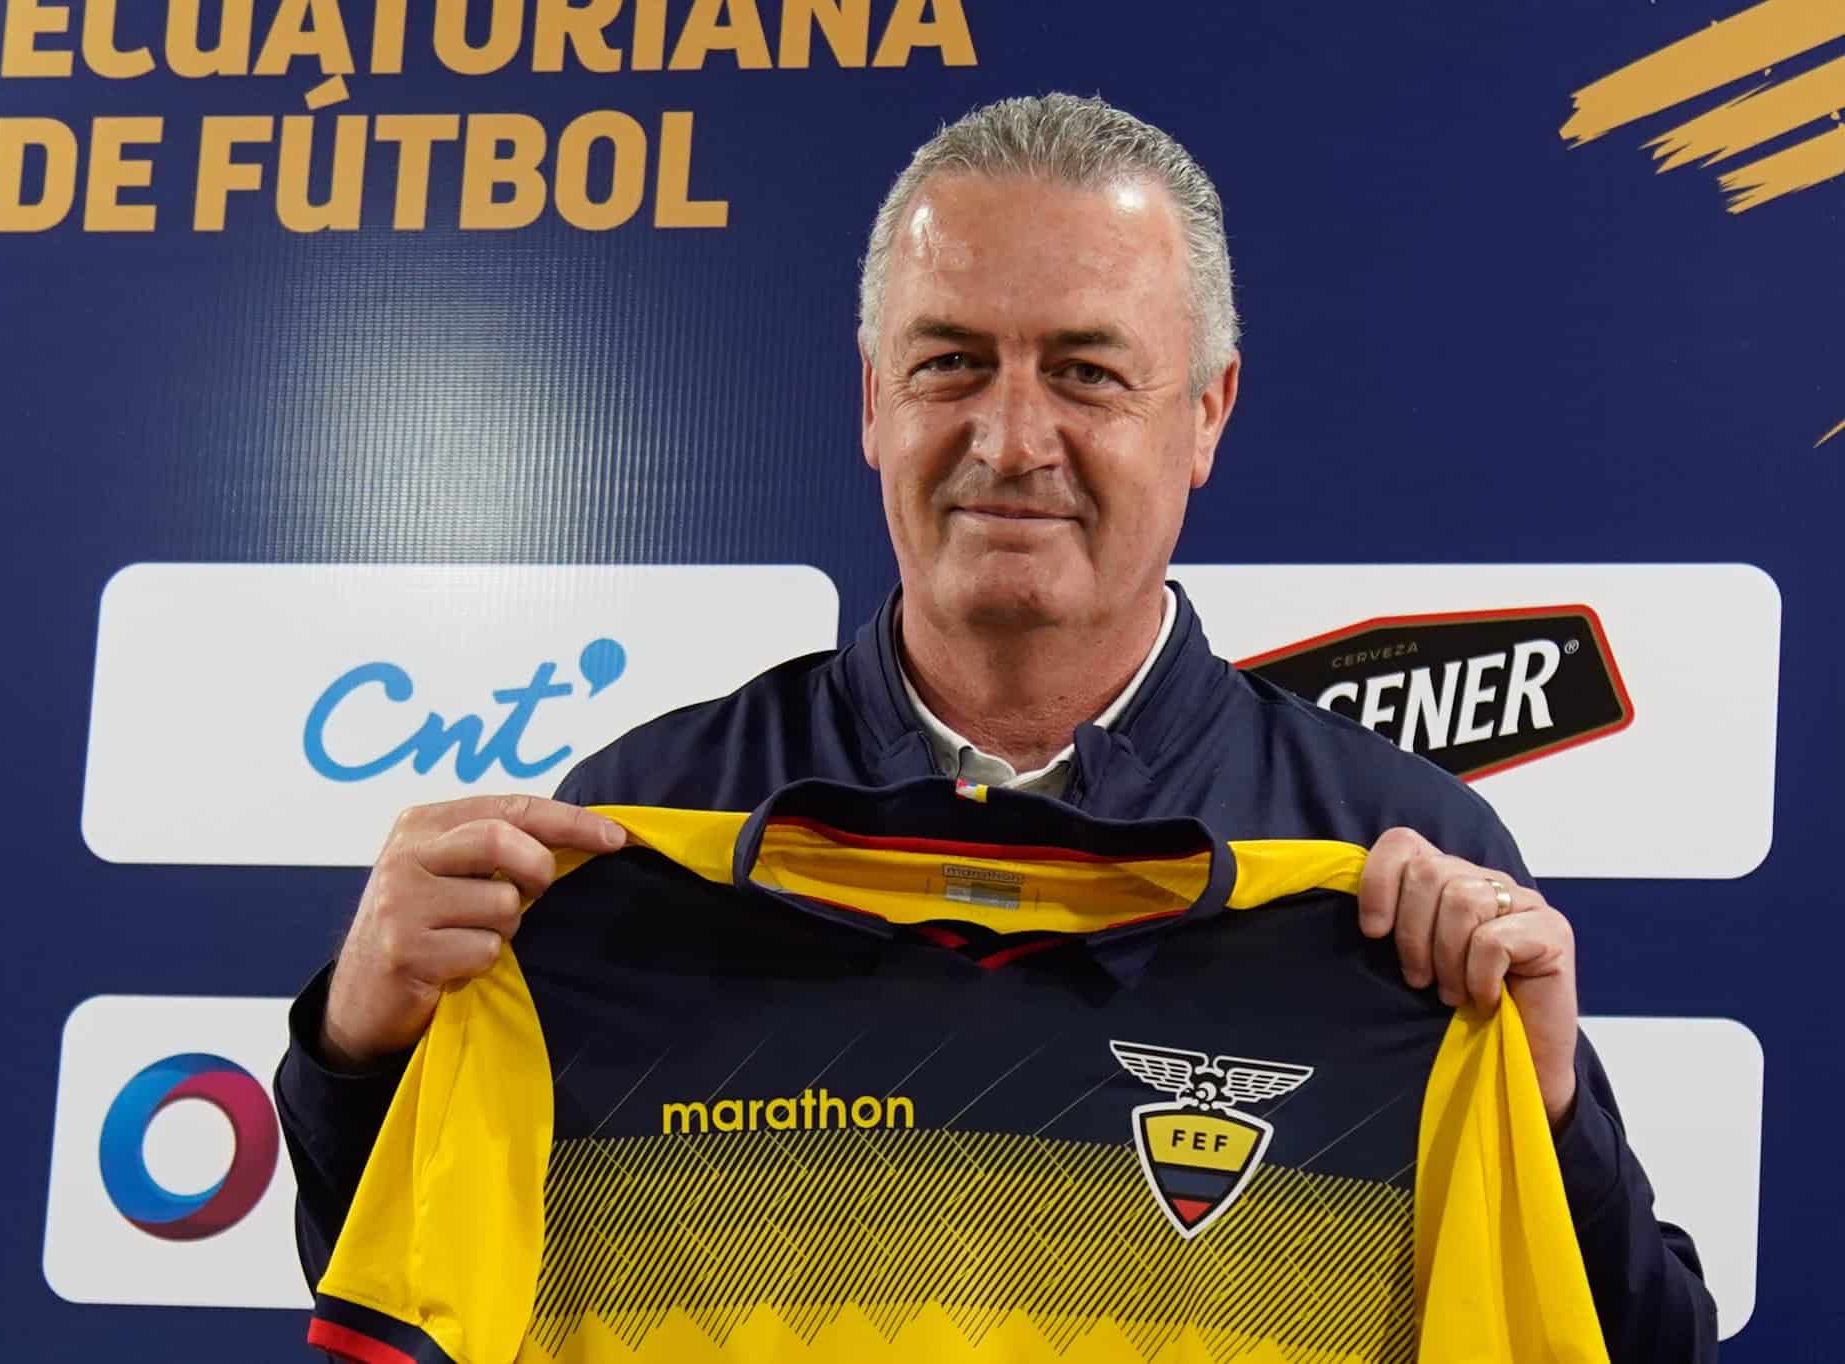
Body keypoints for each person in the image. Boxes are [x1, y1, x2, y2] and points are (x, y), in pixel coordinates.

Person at [275, 93, 1715, 1361]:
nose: (1012, 440)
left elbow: (1643, 1348)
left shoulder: (1400, 866)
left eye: (1087, 372)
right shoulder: (633, 831)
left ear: (1206, 414)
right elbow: (430, 1305)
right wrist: (360, 1055)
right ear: (873, 403)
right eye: (950, 363)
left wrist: (1543, 1099)